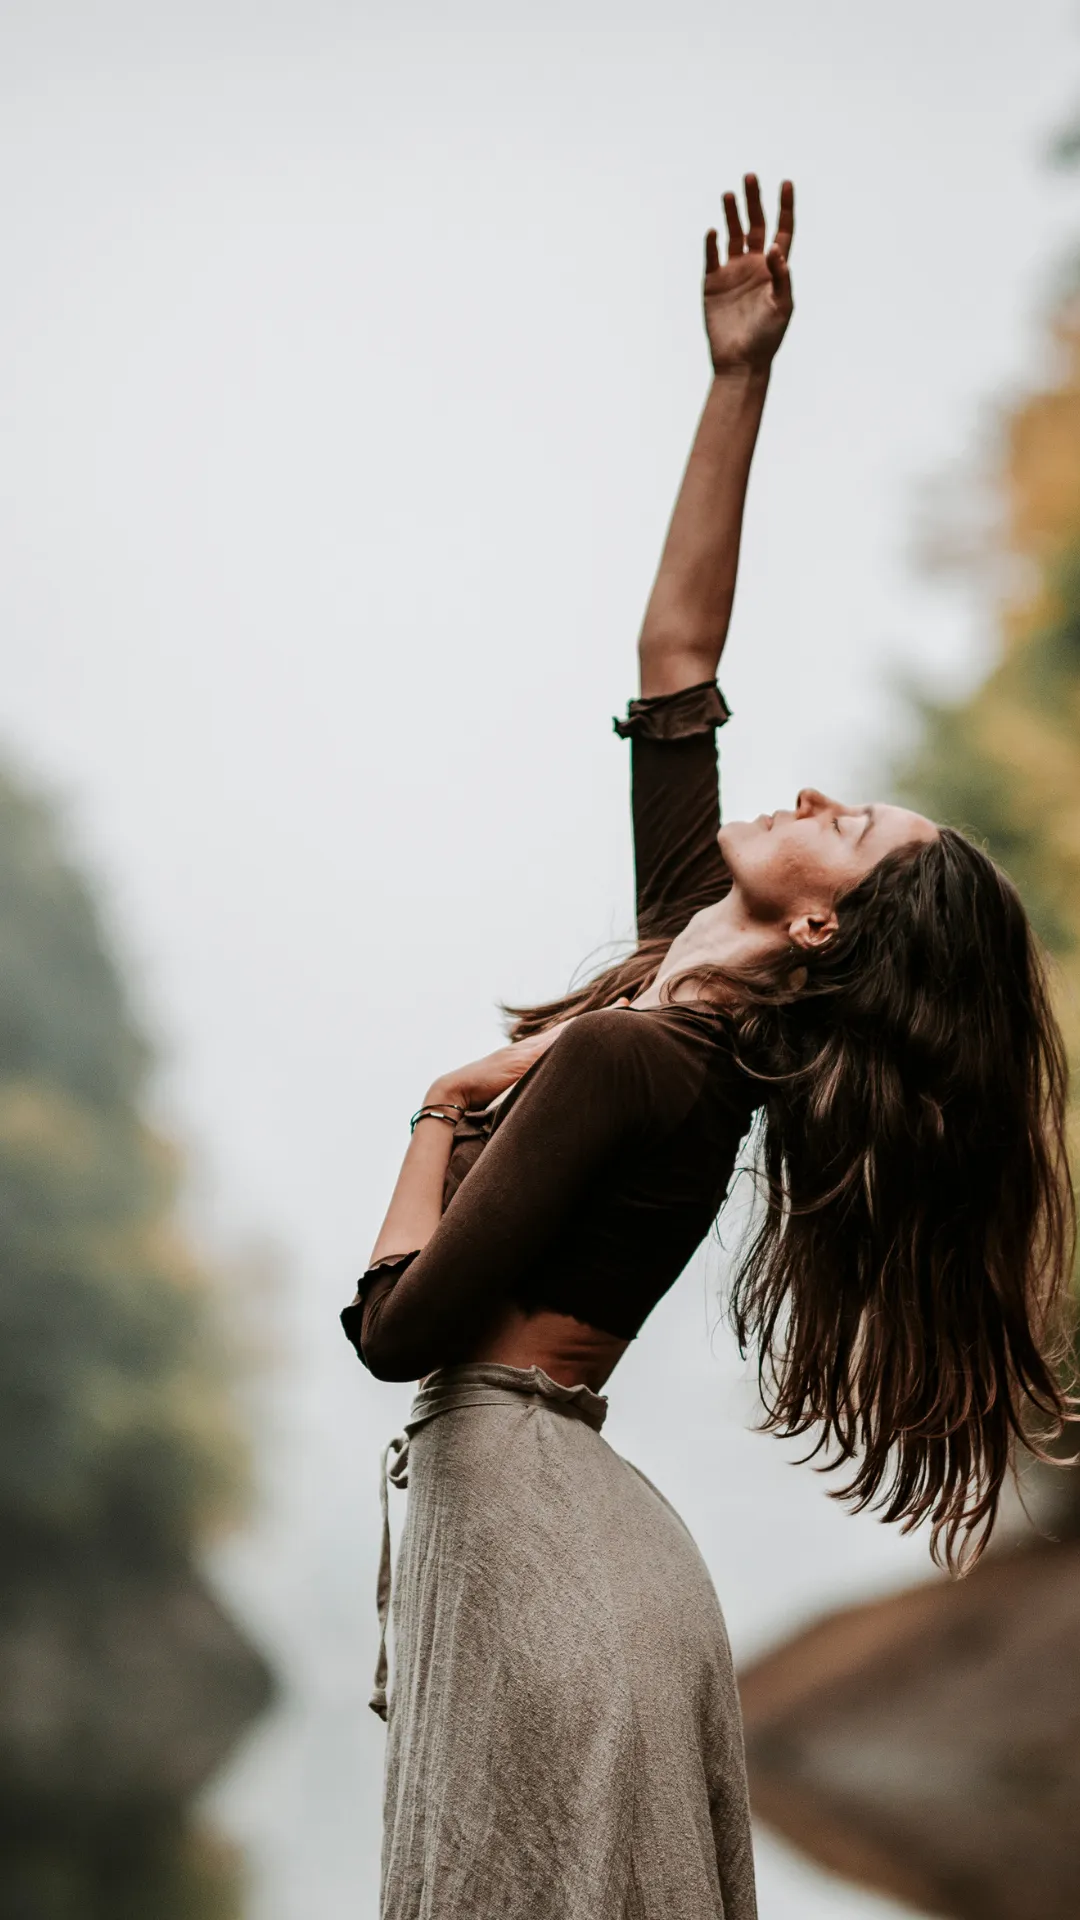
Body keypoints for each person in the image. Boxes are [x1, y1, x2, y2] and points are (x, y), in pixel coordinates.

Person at [342, 176, 1074, 1920]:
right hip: (560, 1528)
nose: (815, 793)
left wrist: (438, 1117)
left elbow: (395, 1335)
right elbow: (678, 659)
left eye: (856, 826)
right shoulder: (687, 988)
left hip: (535, 1538)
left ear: (823, 927)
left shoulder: (635, 1069)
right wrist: (739, 374)